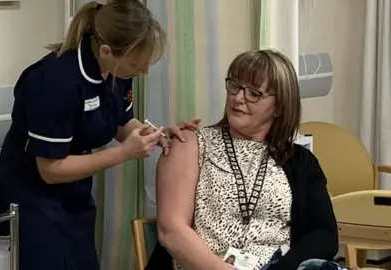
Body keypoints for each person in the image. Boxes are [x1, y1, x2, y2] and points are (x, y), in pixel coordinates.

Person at [0, 1, 200, 270]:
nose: (144, 71)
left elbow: (121, 124)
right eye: (137, 64)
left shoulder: (117, 70)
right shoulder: (55, 82)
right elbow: (50, 169)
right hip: (31, 202)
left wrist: (152, 134)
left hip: (74, 199)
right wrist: (123, 153)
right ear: (106, 51)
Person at [145, 50, 338, 270]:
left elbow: (323, 235)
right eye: (235, 86)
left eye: (254, 93)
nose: (238, 97)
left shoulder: (301, 161)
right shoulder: (189, 142)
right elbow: (171, 231)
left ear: (279, 107)